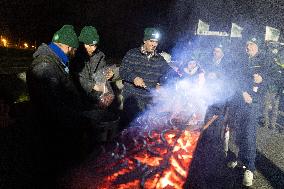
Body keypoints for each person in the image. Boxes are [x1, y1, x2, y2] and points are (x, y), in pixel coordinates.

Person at [26, 25, 93, 187]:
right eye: (75, 50)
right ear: (68, 46)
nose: (75, 53)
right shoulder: (45, 66)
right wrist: (81, 120)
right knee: (56, 175)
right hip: (53, 137)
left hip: (60, 133)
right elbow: (54, 109)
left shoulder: (56, 62)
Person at [228, 36, 280, 186]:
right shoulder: (243, 59)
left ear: (257, 46)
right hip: (241, 100)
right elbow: (236, 77)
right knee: (239, 132)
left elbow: (275, 77)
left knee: (249, 134)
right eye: (247, 45)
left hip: (254, 103)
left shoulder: (265, 60)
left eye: (251, 45)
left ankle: (250, 168)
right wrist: (243, 92)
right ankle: (240, 160)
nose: (248, 47)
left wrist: (262, 80)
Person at [119, 27, 171, 126]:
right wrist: (134, 78)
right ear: (144, 40)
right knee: (128, 128)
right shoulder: (132, 54)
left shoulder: (159, 59)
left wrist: (162, 84)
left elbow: (168, 73)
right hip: (132, 99)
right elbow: (123, 70)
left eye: (156, 42)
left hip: (149, 100)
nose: (154, 44)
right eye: (151, 41)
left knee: (145, 130)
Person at [70, 26, 114, 109]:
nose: (93, 48)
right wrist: (92, 86)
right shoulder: (74, 56)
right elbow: (74, 77)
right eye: (90, 45)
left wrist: (109, 74)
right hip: (79, 100)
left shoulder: (100, 56)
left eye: (95, 45)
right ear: (82, 43)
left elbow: (101, 74)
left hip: (97, 100)